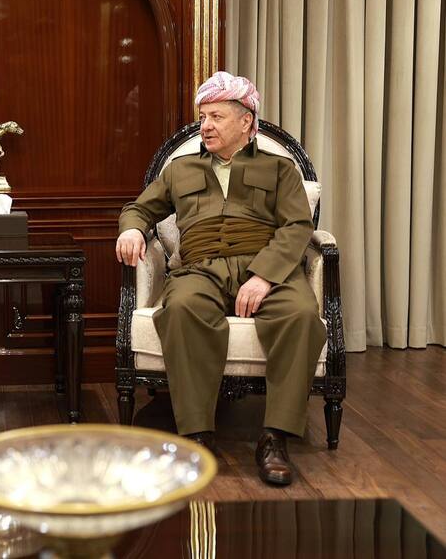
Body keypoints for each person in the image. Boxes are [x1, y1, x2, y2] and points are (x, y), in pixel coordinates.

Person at [115, 71, 326, 486]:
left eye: (216, 117)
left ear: (246, 121)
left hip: (267, 267)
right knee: (181, 308)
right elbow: (139, 208)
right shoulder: (180, 170)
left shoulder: (280, 168)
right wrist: (132, 229)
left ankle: (275, 438)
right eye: (202, 117)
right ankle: (197, 436)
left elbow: (297, 226)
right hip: (200, 267)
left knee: (301, 315)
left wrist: (264, 277)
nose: (205, 126)